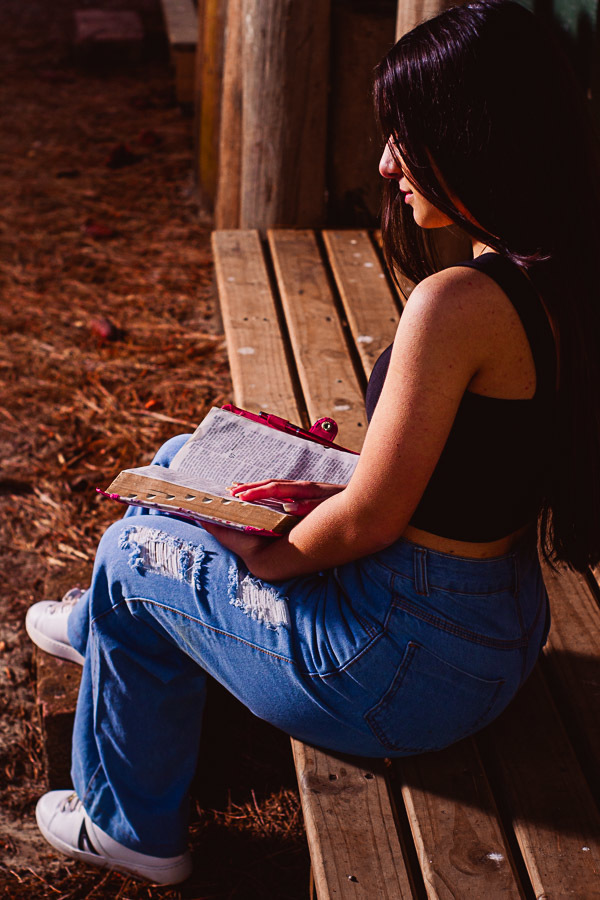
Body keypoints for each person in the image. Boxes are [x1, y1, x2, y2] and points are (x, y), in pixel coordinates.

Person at [25, 0, 600, 885]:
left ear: (475, 135)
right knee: (181, 460)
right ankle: (109, 616)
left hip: (400, 667)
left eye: (406, 137)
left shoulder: (457, 304)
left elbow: (369, 521)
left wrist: (272, 553)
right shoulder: (563, 276)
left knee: (131, 553)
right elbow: (463, 471)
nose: (387, 163)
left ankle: (128, 825)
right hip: (497, 630)